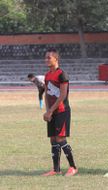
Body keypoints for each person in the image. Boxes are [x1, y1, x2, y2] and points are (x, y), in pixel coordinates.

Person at [42, 48, 78, 176]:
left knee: (60, 138)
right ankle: (56, 169)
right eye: (45, 57)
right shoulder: (47, 75)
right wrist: (47, 111)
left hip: (62, 111)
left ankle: (73, 167)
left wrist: (51, 111)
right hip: (51, 112)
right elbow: (47, 94)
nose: (46, 60)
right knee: (53, 139)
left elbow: (62, 95)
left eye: (49, 57)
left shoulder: (62, 74)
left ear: (56, 59)